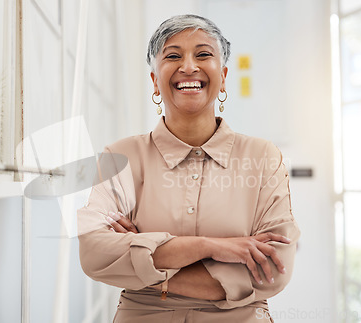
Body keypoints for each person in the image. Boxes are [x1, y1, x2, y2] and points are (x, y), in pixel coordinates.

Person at [78, 14, 300, 322]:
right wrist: (213, 248)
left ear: (223, 77)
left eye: (203, 54)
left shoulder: (263, 156)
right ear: (155, 81)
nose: (189, 67)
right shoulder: (119, 156)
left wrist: (144, 263)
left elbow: (274, 271)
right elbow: (93, 254)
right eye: (173, 56)